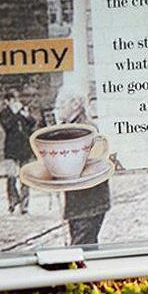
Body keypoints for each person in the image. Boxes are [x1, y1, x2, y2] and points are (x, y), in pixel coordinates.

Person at [53, 85, 111, 247]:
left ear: (75, 105)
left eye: (61, 104)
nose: (57, 109)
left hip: (89, 203)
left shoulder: (86, 129)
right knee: (86, 248)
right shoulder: (69, 128)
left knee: (80, 248)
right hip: (79, 204)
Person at [0, 92, 35, 213]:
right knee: (11, 177)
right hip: (11, 149)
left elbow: (32, 123)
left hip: (24, 148)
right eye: (12, 100)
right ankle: (13, 200)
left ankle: (24, 205)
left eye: (16, 99)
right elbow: (7, 126)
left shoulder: (22, 111)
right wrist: (15, 114)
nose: (16, 102)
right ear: (7, 102)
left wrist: (27, 116)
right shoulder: (4, 114)